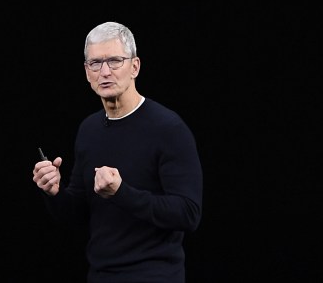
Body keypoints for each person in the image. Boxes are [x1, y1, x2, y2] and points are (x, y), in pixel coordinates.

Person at [31, 21, 203, 283]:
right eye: (96, 63)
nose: (105, 72)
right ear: (87, 72)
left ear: (135, 67)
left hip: (154, 276)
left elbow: (188, 213)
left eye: (115, 61)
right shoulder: (89, 129)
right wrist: (54, 191)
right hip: (100, 275)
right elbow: (78, 214)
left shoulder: (169, 128)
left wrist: (122, 193)